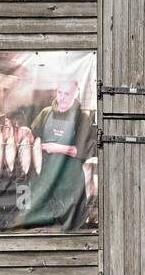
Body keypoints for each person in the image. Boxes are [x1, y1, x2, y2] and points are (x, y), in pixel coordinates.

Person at [18, 77, 97, 231]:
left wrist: (56, 148)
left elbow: (82, 151)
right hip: (44, 178)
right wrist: (27, 132)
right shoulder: (45, 113)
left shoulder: (82, 118)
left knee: (68, 228)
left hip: (69, 182)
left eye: (67, 94)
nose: (61, 97)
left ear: (76, 93)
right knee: (42, 226)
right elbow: (34, 138)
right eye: (59, 92)